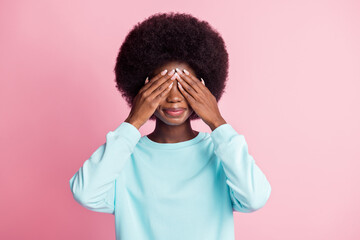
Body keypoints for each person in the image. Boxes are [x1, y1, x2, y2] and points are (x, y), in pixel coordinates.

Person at [69, 12, 271, 240]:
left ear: (204, 88)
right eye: (163, 85)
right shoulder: (124, 156)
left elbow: (255, 198)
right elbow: (86, 193)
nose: (174, 97)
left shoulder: (220, 152)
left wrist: (217, 122)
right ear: (144, 87)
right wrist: (133, 122)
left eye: (185, 84)